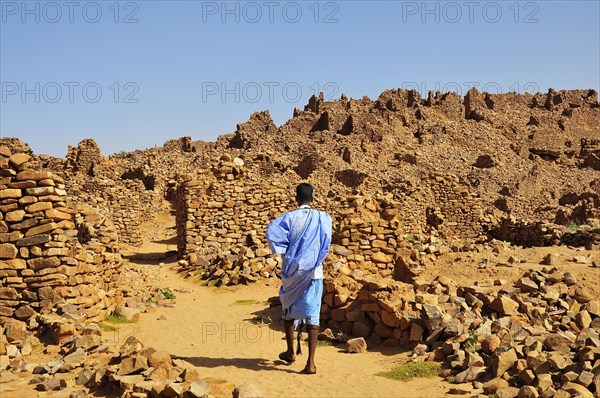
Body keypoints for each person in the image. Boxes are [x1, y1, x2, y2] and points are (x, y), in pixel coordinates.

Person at [266, 183, 332, 374]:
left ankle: (290, 352)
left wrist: (285, 250)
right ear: (312, 197)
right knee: (313, 317)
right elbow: (327, 241)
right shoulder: (323, 217)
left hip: (293, 272)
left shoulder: (288, 218)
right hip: (314, 272)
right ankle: (310, 363)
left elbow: (272, 232)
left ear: (296, 198)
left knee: (288, 310)